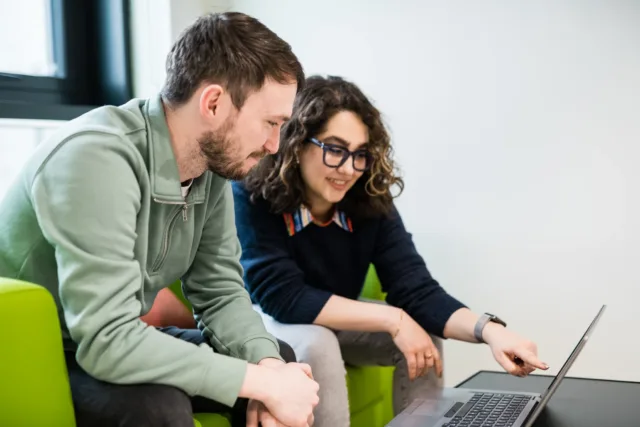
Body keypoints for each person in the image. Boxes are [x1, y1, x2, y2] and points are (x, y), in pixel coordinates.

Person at [0, 12, 319, 427]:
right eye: (270, 123)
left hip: (107, 337)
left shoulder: (210, 169)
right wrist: (258, 382)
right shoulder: (94, 157)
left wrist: (267, 370)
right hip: (41, 348)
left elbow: (219, 292)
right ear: (214, 103)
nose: (274, 145)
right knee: (158, 407)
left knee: (278, 357)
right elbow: (107, 339)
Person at [232, 75, 550, 427]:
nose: (349, 169)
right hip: (266, 320)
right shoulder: (251, 192)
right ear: (297, 143)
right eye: (335, 150)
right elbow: (282, 297)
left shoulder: (368, 199)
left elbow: (416, 287)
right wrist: (393, 319)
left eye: (360, 155)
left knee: (423, 334)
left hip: (334, 314)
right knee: (318, 340)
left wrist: (490, 330)